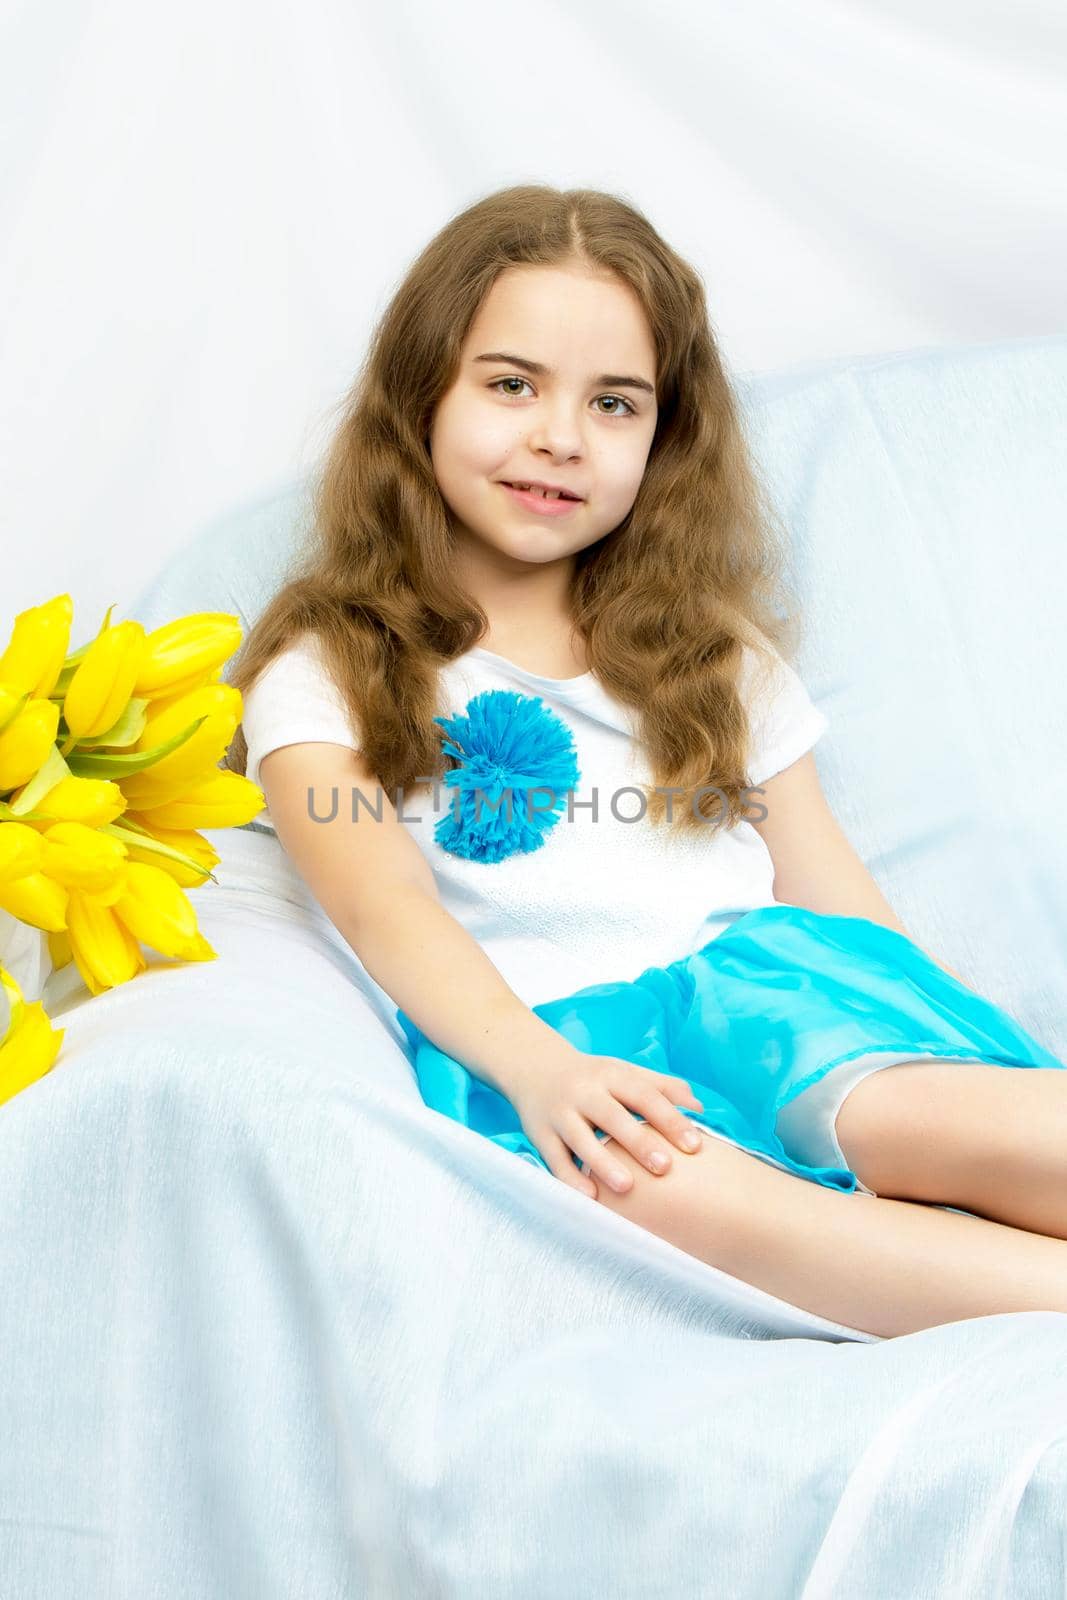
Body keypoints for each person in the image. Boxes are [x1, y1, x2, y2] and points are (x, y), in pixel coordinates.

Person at [225, 184, 1067, 1340]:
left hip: (778, 996)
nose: (559, 436)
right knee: (656, 1185)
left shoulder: (710, 658)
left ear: (661, 442)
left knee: (939, 1117)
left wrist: (945, 1039)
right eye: (510, 383)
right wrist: (535, 1069)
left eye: (613, 403)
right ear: (420, 394)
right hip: (560, 1047)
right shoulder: (329, 671)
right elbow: (386, 911)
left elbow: (831, 897)